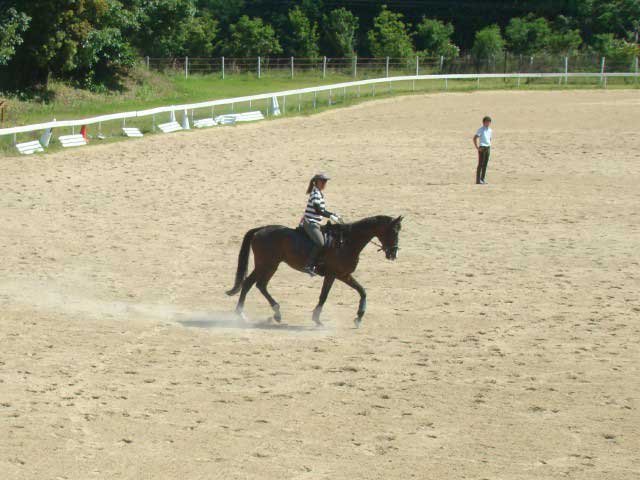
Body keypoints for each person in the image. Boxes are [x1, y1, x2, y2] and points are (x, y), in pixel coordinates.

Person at [301, 173, 342, 276]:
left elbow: (322, 210)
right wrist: (330, 216)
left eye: (325, 182)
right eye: (322, 181)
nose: (324, 184)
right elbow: (318, 210)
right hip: (310, 223)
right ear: (316, 182)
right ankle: (309, 265)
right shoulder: (315, 193)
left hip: (316, 223)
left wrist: (333, 214)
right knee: (321, 243)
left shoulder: (319, 193)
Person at [473, 116, 493, 185]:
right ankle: (478, 180)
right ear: (483, 122)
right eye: (487, 122)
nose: (488, 123)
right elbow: (475, 138)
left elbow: (490, 138)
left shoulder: (490, 130)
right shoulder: (480, 129)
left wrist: (489, 144)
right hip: (482, 147)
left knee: (485, 164)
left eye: (489, 122)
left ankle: (482, 179)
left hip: (488, 147)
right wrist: (477, 147)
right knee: (480, 164)